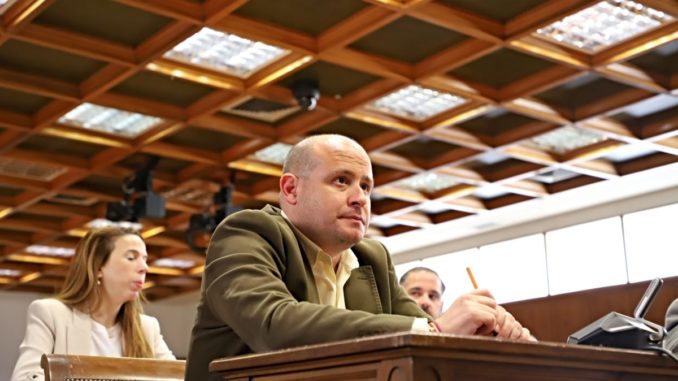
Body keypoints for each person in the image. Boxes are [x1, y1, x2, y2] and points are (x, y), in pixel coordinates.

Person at [185, 134, 531, 381]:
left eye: (366, 186)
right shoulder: (247, 232)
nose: (359, 198)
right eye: (341, 181)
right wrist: (437, 327)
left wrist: (481, 331)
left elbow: (423, 333)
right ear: (291, 189)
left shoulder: (371, 257)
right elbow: (274, 324)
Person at [12, 227, 174, 381]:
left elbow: (180, 377)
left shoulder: (147, 327)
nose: (144, 267)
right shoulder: (51, 314)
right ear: (98, 268)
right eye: (131, 258)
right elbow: (25, 377)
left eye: (145, 260)